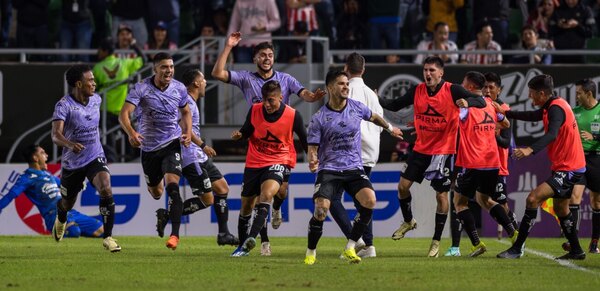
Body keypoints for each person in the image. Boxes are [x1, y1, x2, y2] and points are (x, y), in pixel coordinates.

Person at [212, 32, 325, 255]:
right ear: (255, 59)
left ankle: (277, 210)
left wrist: (312, 97)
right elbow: (217, 73)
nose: (267, 58)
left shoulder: (286, 79)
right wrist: (228, 47)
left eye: (270, 55)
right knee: (254, 199)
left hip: (282, 148)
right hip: (258, 146)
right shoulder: (246, 78)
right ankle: (262, 241)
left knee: (279, 192)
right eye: (262, 55)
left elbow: (305, 94)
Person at [378, 56, 486, 257]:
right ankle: (409, 221)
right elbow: (394, 105)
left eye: (432, 70)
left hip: (443, 152)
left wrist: (467, 101)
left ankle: (435, 242)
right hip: (421, 149)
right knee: (402, 187)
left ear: (441, 73)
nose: (428, 74)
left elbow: (481, 101)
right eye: (425, 70)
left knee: (441, 195)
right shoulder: (418, 90)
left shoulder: (452, 90)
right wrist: (375, 98)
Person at [304, 70, 402, 265]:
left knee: (370, 201)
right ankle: (311, 251)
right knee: (321, 210)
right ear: (330, 87)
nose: (346, 87)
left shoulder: (356, 107)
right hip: (330, 169)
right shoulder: (319, 118)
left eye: (347, 83)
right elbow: (313, 147)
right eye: (341, 84)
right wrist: (313, 159)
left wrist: (390, 129)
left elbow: (374, 117)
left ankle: (351, 247)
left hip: (354, 168)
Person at [496, 74, 587, 260]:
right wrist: (507, 113)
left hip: (569, 168)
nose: (530, 97)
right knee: (561, 209)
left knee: (532, 199)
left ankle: (517, 248)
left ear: (542, 93)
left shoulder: (556, 109)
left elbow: (552, 134)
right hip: (568, 166)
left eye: (531, 94)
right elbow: (532, 116)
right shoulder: (551, 106)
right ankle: (577, 250)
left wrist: (530, 149)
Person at [155, 68, 239, 246]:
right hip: (190, 157)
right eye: (203, 80)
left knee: (222, 188)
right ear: (196, 83)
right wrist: (203, 144)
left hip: (200, 156)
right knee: (208, 199)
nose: (206, 83)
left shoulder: (191, 102)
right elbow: (183, 127)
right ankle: (169, 215)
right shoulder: (185, 103)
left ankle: (223, 234)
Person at [119, 52, 192, 250]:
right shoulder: (142, 88)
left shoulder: (179, 88)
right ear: (155, 69)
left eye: (171, 66)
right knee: (157, 193)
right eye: (164, 67)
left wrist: (188, 132)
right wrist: (131, 133)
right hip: (149, 147)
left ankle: (174, 236)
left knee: (173, 187)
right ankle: (162, 214)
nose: (168, 70)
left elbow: (186, 111)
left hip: (171, 143)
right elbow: (124, 113)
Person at [230, 80, 308, 257]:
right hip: (254, 161)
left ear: (281, 97)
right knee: (246, 206)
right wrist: (240, 135)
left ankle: (253, 239)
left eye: (271, 100)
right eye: (264, 99)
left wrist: (313, 158)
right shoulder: (255, 109)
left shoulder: (293, 115)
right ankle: (242, 247)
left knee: (269, 194)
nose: (266, 104)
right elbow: (247, 130)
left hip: (281, 159)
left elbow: (304, 139)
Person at [50, 65, 120, 252]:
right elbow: (56, 135)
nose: (94, 83)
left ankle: (108, 237)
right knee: (67, 203)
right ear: (79, 84)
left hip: (94, 155)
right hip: (73, 162)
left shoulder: (96, 99)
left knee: (105, 187)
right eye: (90, 80)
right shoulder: (64, 105)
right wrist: (70, 144)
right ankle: (62, 216)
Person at [451, 71, 515, 258]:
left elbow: (451, 123)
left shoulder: (465, 108)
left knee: (460, 203)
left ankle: (476, 243)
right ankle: (513, 231)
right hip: (492, 163)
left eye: (463, 83)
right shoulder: (491, 105)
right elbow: (506, 124)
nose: (461, 86)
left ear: (470, 87)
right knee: (485, 200)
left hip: (472, 162)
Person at [327, 52, 384, 258]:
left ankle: (356, 239)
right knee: (363, 201)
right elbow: (379, 122)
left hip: (348, 153)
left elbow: (337, 120)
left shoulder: (344, 91)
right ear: (364, 69)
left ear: (346, 68)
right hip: (369, 153)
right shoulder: (372, 94)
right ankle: (368, 245)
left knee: (332, 198)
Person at [0, 145, 103, 239]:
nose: (46, 155)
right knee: (73, 231)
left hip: (69, 212)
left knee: (101, 230)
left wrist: (77, 184)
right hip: (53, 215)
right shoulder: (26, 178)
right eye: (42, 153)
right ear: (35, 158)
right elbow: (10, 195)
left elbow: (66, 185)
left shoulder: (49, 175)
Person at [561, 79, 600, 254]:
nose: (576, 96)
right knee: (574, 198)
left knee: (596, 202)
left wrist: (595, 137)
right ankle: (573, 241)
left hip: (597, 160)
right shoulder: (573, 112)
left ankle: (594, 242)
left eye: (579, 93)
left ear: (589, 94)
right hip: (578, 160)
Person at [93, 37, 145, 161]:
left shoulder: (97, 68)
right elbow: (143, 59)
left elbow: (93, 89)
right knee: (130, 135)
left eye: (100, 50)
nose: (98, 53)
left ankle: (112, 163)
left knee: (109, 139)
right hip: (123, 110)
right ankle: (133, 160)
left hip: (105, 110)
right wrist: (134, 45)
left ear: (105, 51)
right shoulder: (124, 63)